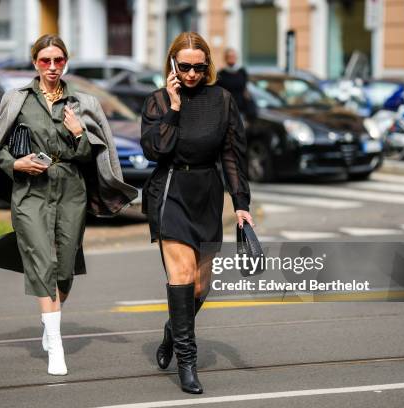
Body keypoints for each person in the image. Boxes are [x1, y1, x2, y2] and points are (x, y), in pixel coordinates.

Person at [0, 34, 137, 376]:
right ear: (35, 63)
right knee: (42, 262)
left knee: (65, 270)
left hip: (71, 190)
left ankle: (48, 323)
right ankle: (56, 344)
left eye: (59, 60)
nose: (53, 67)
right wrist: (16, 165)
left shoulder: (83, 103)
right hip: (30, 192)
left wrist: (79, 134)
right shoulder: (16, 99)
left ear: (65, 62)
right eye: (45, 60)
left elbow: (93, 155)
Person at [140, 32, 254, 394]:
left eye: (198, 67)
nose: (191, 74)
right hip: (170, 191)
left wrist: (241, 205)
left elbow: (232, 155)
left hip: (207, 194)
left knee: (202, 285)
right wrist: (174, 106)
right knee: (182, 275)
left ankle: (173, 329)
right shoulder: (158, 101)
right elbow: (155, 150)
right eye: (184, 67)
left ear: (208, 66)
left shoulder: (222, 100)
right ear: (173, 65)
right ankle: (187, 363)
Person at [216, 48, 257, 123]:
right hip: (226, 109)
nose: (232, 58)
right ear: (225, 58)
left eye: (233, 56)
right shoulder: (221, 74)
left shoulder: (242, 72)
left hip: (240, 109)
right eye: (229, 56)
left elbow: (246, 90)